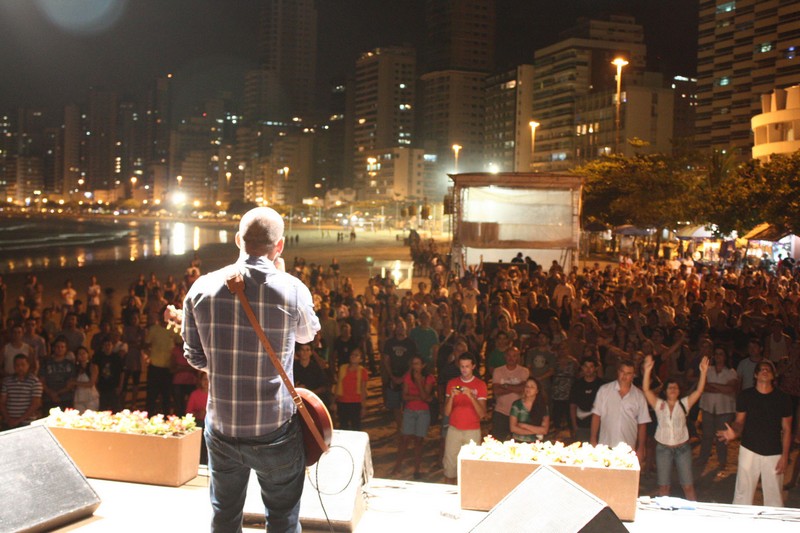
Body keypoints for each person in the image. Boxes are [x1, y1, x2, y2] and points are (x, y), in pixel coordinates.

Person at [182, 206, 320, 532]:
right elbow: (307, 334)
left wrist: (223, 366)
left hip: (222, 425)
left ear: (237, 240)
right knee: (283, 517)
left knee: (224, 515)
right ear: (279, 246)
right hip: (275, 428)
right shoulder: (293, 289)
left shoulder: (201, 288)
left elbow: (194, 356)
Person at [717, 360, 793, 507]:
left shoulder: (783, 398)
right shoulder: (746, 396)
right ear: (756, 375)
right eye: (761, 369)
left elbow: (787, 429)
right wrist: (734, 433)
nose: (765, 371)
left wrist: (784, 456)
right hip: (749, 449)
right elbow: (739, 422)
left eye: (768, 369)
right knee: (742, 494)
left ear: (773, 375)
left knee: (774, 497)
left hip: (773, 452)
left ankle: (773, 522)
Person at [643, 354, 709, 500]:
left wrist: (703, 372)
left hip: (682, 449)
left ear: (679, 391)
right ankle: (664, 511)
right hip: (663, 449)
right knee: (664, 486)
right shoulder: (659, 405)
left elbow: (698, 391)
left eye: (675, 387)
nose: (672, 389)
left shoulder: (684, 404)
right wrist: (647, 371)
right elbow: (646, 391)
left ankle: (693, 509)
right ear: (665, 391)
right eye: (670, 387)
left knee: (688, 485)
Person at [590, 359, 651, 463]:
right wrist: (593, 439)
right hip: (605, 446)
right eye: (622, 372)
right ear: (618, 372)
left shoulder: (639, 396)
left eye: (628, 373)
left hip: (628, 448)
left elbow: (642, 424)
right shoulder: (604, 390)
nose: (624, 376)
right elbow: (596, 416)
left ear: (633, 375)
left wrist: (641, 448)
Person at [443, 352, 487, 484]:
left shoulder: (480, 385)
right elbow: (446, 412)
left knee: (471, 467)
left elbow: (482, 414)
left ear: (473, 366)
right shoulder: (452, 383)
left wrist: (471, 396)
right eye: (462, 366)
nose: (464, 369)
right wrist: (451, 397)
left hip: (472, 430)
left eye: (467, 366)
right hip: (454, 429)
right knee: (450, 467)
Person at [393, 354, 435, 479]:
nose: (414, 366)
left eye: (417, 364)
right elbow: (405, 396)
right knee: (404, 439)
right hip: (410, 411)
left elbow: (424, 396)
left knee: (418, 441)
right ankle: (397, 467)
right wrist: (421, 397)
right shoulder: (408, 376)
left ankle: (417, 469)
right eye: (413, 363)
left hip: (423, 412)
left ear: (423, 365)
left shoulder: (429, 378)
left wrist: (418, 382)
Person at [698, 346, 738, 472]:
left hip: (725, 409)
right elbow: (703, 386)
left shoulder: (731, 372)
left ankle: (722, 461)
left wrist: (713, 386)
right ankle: (703, 459)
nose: (718, 356)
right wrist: (722, 388)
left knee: (722, 437)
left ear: (725, 357)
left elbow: (730, 389)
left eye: (721, 354)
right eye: (716, 354)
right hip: (708, 407)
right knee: (707, 436)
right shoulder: (708, 370)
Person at [491, 346, 529, 441]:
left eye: (514, 356)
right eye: (509, 355)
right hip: (501, 412)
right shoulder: (498, 371)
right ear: (505, 356)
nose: (511, 358)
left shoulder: (524, 371)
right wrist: (516, 387)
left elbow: (523, 389)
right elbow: (496, 391)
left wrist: (506, 386)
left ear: (518, 357)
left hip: (519, 413)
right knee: (498, 441)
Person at [0, 353, 42, 429]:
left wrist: (19, 420)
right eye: (17, 365)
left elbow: (36, 404)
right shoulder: (7, 381)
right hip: (8, 422)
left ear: (28, 365)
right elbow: (2, 402)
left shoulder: (35, 382)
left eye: (23, 365)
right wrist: (8, 419)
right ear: (14, 366)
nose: (20, 367)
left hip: (27, 423)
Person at [569, 357, 604, 443]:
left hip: (599, 426)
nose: (588, 369)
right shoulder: (576, 385)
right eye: (586, 366)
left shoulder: (602, 385)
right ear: (582, 368)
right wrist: (574, 426)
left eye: (591, 366)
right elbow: (573, 406)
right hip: (581, 426)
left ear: (595, 368)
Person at [334, 347, 369, 431]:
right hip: (342, 402)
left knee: (356, 427)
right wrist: (334, 402)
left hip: (355, 403)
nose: (353, 356)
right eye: (352, 354)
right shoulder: (342, 368)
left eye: (356, 355)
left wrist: (363, 407)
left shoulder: (362, 371)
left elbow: (363, 390)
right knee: (343, 427)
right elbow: (338, 386)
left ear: (361, 359)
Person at [510, 377, 550, 442]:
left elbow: (544, 430)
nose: (528, 389)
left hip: (536, 443)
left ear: (537, 391)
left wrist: (524, 426)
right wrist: (536, 431)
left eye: (532, 387)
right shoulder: (517, 405)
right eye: (527, 386)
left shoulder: (543, 406)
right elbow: (513, 428)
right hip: (518, 441)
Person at [73, 346, 99, 412]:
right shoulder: (75, 368)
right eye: (79, 354)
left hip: (91, 398)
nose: (82, 355)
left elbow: (91, 383)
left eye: (84, 353)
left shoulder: (93, 366)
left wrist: (75, 383)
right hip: (78, 397)